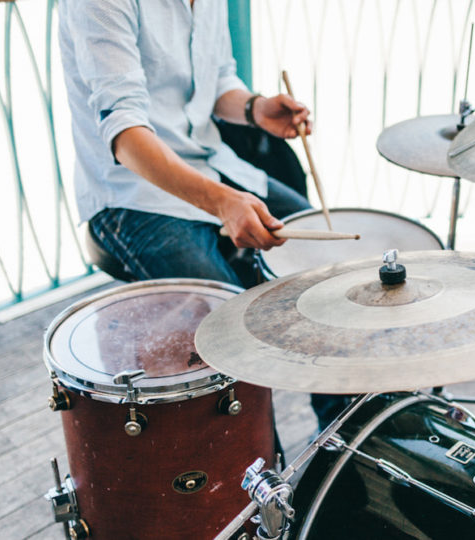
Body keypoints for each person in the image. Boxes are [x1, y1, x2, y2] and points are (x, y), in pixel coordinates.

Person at [58, 0, 348, 428]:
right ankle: (260, 478)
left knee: (329, 282)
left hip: (215, 166)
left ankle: (342, 453)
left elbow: (217, 82)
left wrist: (255, 108)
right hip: (133, 197)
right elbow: (124, 133)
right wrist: (222, 203)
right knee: (231, 335)